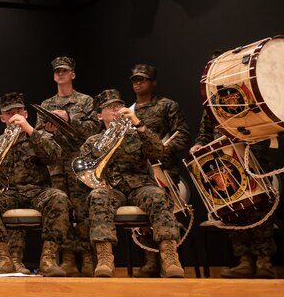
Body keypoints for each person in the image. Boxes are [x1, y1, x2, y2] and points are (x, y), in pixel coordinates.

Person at [80, 89, 184, 278]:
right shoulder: (92, 142)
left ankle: (170, 258)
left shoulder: (138, 134)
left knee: (159, 195)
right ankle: (105, 259)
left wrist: (140, 125)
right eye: (110, 108)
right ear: (99, 115)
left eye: (119, 106)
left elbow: (158, 152)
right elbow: (87, 173)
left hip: (141, 187)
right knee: (97, 197)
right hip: (111, 189)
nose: (116, 110)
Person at [0, 92, 70, 277]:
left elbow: (54, 156)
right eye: (10, 113)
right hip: (9, 192)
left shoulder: (40, 136)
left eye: (19, 111)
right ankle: (4, 258)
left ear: (26, 114)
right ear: (3, 118)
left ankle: (48, 259)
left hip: (37, 191)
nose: (15, 116)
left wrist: (30, 130)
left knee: (59, 198)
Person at [191, 97, 277, 280]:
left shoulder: (250, 95)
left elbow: (267, 124)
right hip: (224, 161)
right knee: (234, 212)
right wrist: (199, 144)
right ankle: (244, 261)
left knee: (259, 210)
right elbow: (205, 132)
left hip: (253, 158)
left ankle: (264, 261)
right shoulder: (212, 101)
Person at [127, 63, 190, 278]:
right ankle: (151, 259)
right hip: (139, 174)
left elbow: (182, 134)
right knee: (144, 220)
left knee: (167, 215)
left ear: (153, 82)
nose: (138, 83)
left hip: (165, 170)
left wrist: (162, 149)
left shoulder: (167, 105)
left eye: (143, 79)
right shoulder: (129, 111)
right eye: (135, 79)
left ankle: (170, 260)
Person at [40, 56, 98, 277]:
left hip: (78, 163)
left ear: (72, 74)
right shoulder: (47, 105)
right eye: (57, 71)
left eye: (64, 71)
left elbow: (94, 129)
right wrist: (49, 131)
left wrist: (69, 117)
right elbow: (39, 136)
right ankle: (67, 258)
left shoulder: (85, 101)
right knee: (62, 212)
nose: (60, 74)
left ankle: (86, 256)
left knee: (82, 211)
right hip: (56, 165)